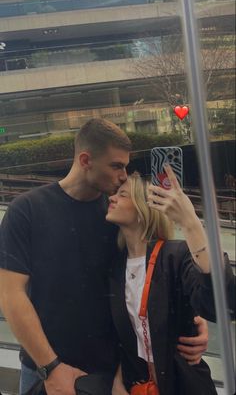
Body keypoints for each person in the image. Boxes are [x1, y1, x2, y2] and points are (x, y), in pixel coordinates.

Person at [0, 119, 208, 395]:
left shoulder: (116, 217)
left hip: (110, 374)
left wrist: (191, 318)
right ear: (86, 160)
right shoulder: (26, 210)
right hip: (43, 371)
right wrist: (51, 367)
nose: (124, 175)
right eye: (116, 166)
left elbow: (148, 278)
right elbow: (11, 295)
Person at [107, 165, 234, 394]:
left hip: (185, 385)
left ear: (142, 208)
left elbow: (221, 304)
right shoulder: (116, 266)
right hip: (138, 386)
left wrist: (190, 223)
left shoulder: (175, 256)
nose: (112, 198)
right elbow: (122, 338)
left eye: (122, 194)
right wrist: (118, 380)